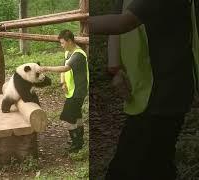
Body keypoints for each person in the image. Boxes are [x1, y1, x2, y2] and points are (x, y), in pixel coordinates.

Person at [88, 0, 199, 179]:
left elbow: (122, 22)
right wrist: (115, 68)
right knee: (156, 163)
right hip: (148, 92)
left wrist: (76, 24)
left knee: (130, 167)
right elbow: (120, 13)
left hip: (165, 95)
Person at [39, 29, 89, 153]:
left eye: (62, 43)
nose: (61, 45)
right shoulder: (68, 53)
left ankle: (76, 144)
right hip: (72, 90)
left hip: (78, 91)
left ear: (70, 41)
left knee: (67, 119)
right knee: (76, 116)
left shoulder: (78, 55)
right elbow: (64, 64)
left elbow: (65, 68)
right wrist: (63, 82)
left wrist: (46, 68)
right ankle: (79, 141)